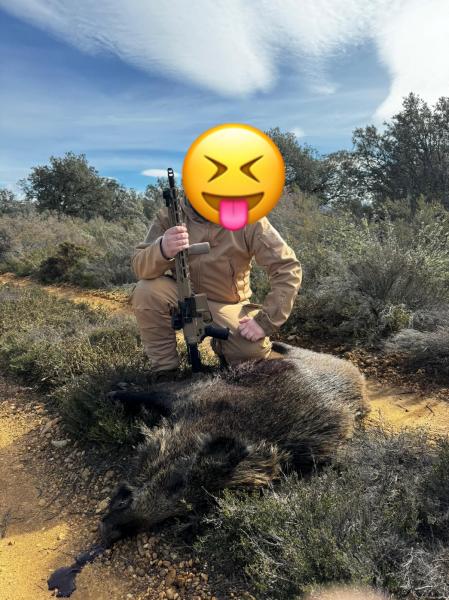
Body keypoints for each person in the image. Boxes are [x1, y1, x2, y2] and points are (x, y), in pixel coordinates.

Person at [130, 195, 302, 376]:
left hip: (228, 304)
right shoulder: (169, 216)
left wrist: (265, 322)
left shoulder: (248, 216)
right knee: (146, 291)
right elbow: (139, 267)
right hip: (181, 294)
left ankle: (223, 349)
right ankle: (165, 372)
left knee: (250, 356)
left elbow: (287, 267)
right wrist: (162, 249)